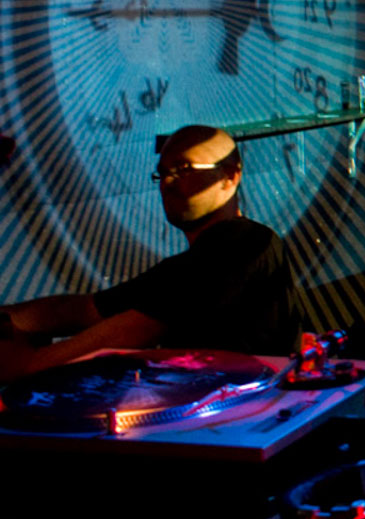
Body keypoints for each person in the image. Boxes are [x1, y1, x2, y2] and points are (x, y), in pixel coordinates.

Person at [0, 126, 293, 382]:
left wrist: (29, 364)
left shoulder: (248, 243)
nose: (167, 183)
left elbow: (138, 329)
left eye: (183, 169)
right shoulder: (185, 268)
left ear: (230, 176)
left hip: (250, 417)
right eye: (162, 173)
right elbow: (85, 310)